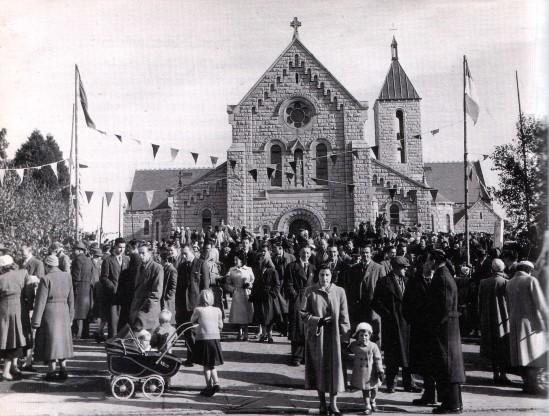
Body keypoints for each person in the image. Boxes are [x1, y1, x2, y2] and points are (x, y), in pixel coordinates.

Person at [301, 265, 350, 416]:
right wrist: (317, 321)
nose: (324, 278)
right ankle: (322, 403)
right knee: (319, 369)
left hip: (334, 338)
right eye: (322, 275)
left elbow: (344, 316)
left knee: (335, 370)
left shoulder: (339, 291)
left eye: (327, 275)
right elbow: (302, 313)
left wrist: (345, 337)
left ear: (331, 276)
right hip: (317, 337)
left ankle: (333, 404)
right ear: (318, 276)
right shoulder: (309, 291)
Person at [424, 249, 465, 414]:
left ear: (434, 260)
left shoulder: (442, 277)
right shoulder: (443, 274)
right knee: (448, 366)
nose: (427, 263)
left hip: (444, 330)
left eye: (428, 260)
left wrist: (432, 324)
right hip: (446, 328)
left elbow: (444, 308)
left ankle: (452, 404)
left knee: (447, 366)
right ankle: (453, 403)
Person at [373, 256, 419, 393]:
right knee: (392, 355)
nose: (406, 270)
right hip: (392, 324)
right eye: (404, 267)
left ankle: (408, 383)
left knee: (408, 354)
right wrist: (388, 315)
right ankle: (391, 383)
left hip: (407, 323)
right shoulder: (384, 282)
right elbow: (375, 302)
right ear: (396, 268)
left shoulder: (408, 281)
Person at [506, 261, 548, 394]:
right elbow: (540, 304)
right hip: (531, 323)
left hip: (514, 321)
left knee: (520, 354)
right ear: (529, 269)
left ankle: (526, 383)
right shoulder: (531, 280)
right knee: (533, 354)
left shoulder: (510, 282)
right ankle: (533, 385)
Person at [403, 251, 438, 406]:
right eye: (428, 263)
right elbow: (406, 305)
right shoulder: (414, 282)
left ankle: (436, 394)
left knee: (436, 363)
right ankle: (429, 393)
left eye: (432, 263)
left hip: (437, 330)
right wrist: (414, 320)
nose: (431, 266)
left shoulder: (439, 280)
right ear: (423, 264)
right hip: (420, 329)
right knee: (424, 363)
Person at [32, 255, 74, 381]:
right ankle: (63, 369)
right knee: (62, 342)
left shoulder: (46, 279)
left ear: (47, 265)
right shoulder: (67, 276)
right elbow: (71, 298)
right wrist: (71, 316)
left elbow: (40, 302)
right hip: (64, 311)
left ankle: (51, 371)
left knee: (51, 342)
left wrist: (35, 322)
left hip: (50, 312)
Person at [477, 258, 511, 385]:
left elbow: (479, 303)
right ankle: (503, 374)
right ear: (502, 269)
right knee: (503, 347)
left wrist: (480, 318)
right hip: (503, 319)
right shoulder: (506, 282)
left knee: (491, 347)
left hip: (487, 319)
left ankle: (495, 373)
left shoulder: (483, 283)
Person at [175, 245, 210, 366]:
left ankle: (198, 357)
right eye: (182, 254)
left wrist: (204, 305)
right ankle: (191, 358)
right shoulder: (182, 266)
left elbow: (205, 286)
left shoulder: (201, 264)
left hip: (196, 303)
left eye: (186, 254)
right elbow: (179, 287)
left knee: (195, 332)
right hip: (184, 304)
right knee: (187, 332)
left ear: (192, 252)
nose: (184, 256)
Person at [0, 255, 33, 381]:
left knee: (7, 339)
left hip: (3, 310)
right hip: (19, 309)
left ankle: (12, 368)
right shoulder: (23, 273)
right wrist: (28, 306)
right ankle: (7, 371)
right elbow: (29, 293)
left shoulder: (1, 278)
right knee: (16, 339)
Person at [286, 246, 317, 366]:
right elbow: (288, 283)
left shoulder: (313, 268)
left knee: (308, 327)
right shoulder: (292, 266)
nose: (306, 255)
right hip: (298, 298)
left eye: (308, 253)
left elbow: (315, 284)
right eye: (303, 252)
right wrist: (295, 296)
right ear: (299, 253)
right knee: (297, 327)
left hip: (309, 298)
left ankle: (306, 355)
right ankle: (296, 356)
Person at [190, 289, 224, 397]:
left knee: (206, 365)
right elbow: (221, 325)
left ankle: (208, 386)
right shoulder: (218, 310)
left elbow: (192, 321)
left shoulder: (198, 310)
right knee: (212, 363)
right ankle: (216, 382)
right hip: (215, 339)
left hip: (203, 338)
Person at [348, 245, 385, 339]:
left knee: (374, 333)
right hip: (359, 307)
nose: (365, 255)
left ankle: (376, 352)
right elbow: (351, 287)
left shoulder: (378, 268)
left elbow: (383, 289)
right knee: (361, 333)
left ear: (371, 254)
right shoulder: (354, 268)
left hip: (373, 307)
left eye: (367, 253)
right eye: (363, 253)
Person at [348, 322, 384, 415]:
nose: (364, 337)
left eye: (366, 335)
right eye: (361, 335)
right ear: (357, 336)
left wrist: (380, 371)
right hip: (362, 373)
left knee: (374, 389)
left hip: (373, 372)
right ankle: (367, 406)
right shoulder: (354, 345)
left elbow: (378, 358)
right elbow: (347, 349)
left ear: (370, 336)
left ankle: (373, 401)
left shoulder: (373, 346)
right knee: (365, 390)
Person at [250, 244, 284, 343]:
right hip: (260, 296)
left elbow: (277, 284)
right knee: (262, 316)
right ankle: (263, 334)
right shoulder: (257, 270)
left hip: (269, 297)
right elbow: (255, 283)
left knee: (270, 317)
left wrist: (273, 294)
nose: (261, 260)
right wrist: (253, 294)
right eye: (260, 259)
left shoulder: (272, 270)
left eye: (263, 258)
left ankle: (269, 334)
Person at [128, 244, 163, 333]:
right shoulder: (139, 268)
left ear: (150, 253)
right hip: (137, 308)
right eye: (139, 253)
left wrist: (143, 309)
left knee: (146, 339)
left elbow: (156, 292)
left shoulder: (157, 268)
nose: (141, 255)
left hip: (148, 311)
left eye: (143, 253)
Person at [100, 238, 130, 338]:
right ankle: (112, 342)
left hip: (124, 296)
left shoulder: (127, 259)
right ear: (115, 246)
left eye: (124, 247)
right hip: (113, 295)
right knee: (113, 321)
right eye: (120, 247)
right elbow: (104, 277)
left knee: (123, 320)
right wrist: (112, 287)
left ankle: (122, 342)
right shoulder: (108, 260)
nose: (122, 250)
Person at [20, 244, 43, 371]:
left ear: (30, 250)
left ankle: (29, 360)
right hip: (22, 299)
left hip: (31, 300)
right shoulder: (20, 262)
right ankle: (24, 357)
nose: (21, 252)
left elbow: (40, 278)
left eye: (23, 250)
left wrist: (27, 278)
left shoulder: (37, 263)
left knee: (30, 331)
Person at [225, 251, 254, 340]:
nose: (235, 261)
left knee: (246, 314)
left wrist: (249, 285)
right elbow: (227, 283)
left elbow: (252, 281)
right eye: (234, 260)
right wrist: (232, 289)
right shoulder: (231, 270)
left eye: (236, 260)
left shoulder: (248, 269)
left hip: (246, 294)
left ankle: (246, 332)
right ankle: (240, 332)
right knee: (238, 314)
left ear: (242, 260)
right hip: (237, 294)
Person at [71, 242, 94, 339]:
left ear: (80, 250)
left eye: (75, 250)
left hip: (79, 287)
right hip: (87, 287)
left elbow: (75, 275)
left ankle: (76, 334)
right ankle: (85, 333)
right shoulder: (89, 260)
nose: (73, 252)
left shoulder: (77, 260)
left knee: (77, 311)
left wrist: (73, 285)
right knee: (85, 312)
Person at [160, 245, 178, 323]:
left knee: (169, 318)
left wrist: (168, 296)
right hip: (164, 298)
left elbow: (173, 286)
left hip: (168, 299)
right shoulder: (164, 268)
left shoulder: (172, 270)